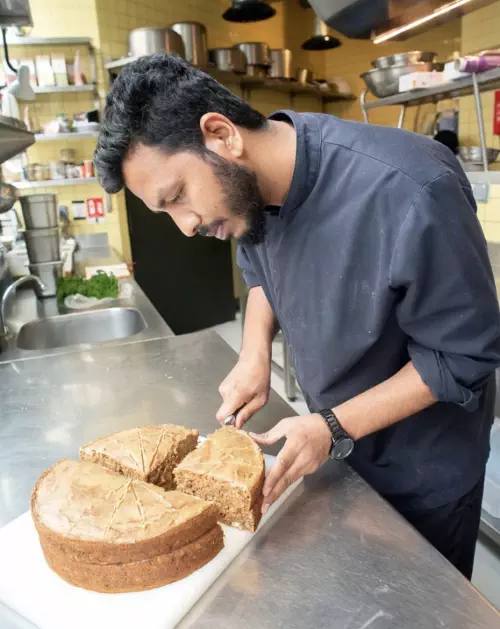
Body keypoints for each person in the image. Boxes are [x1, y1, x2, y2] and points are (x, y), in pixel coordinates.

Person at [95, 53, 500, 580]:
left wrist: (332, 426)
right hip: (338, 455)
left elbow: (460, 354)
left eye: (177, 197)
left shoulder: (409, 188)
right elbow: (261, 268)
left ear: (221, 134)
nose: (185, 226)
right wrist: (254, 353)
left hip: (424, 470)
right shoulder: (249, 188)